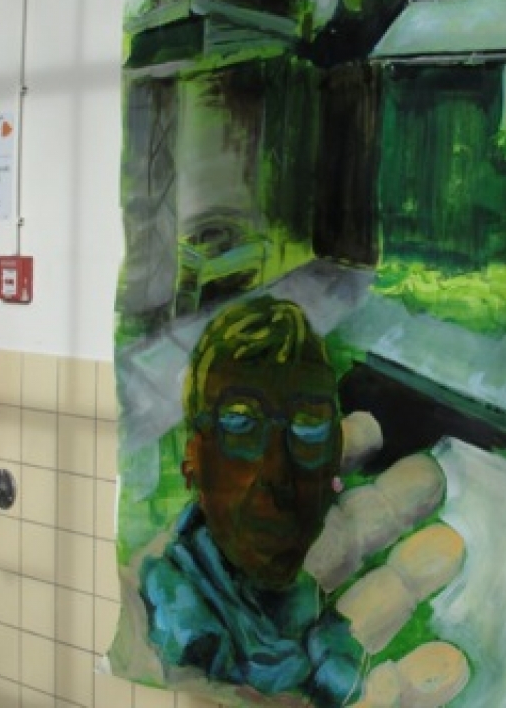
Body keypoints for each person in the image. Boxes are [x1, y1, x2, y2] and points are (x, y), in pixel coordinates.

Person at [136, 295, 366, 705]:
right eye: (240, 425)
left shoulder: (307, 605)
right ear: (192, 458)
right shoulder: (177, 605)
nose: (279, 473)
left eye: (310, 426)